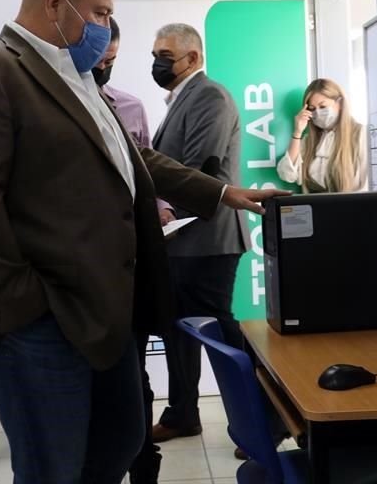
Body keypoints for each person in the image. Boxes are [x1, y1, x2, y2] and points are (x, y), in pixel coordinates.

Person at [0, 0, 287, 484]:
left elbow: (135, 157)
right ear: (56, 3)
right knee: (55, 466)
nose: (106, 25)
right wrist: (26, 302)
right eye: (99, 11)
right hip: (42, 318)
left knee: (120, 439)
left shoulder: (76, 76)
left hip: (103, 311)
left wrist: (222, 194)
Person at [148, 23, 248, 444]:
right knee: (178, 331)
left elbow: (201, 172)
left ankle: (260, 423)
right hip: (183, 242)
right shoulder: (180, 99)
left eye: (166, 55)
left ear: (194, 57)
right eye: (155, 54)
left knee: (222, 339)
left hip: (208, 239)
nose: (158, 63)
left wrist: (167, 212)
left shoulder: (209, 95)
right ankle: (182, 414)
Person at [91, 17, 166, 484]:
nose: (104, 69)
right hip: (83, 275)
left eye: (112, 62)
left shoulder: (131, 108)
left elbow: (149, 169)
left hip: (132, 269)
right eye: (100, 60)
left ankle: (145, 467)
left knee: (133, 382)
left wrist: (162, 208)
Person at [276, 78, 368, 192]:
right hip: (313, 207)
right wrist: (297, 132)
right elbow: (287, 175)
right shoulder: (309, 141)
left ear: (340, 104)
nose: (318, 113)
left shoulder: (360, 134)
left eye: (323, 107)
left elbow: (366, 183)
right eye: (312, 109)